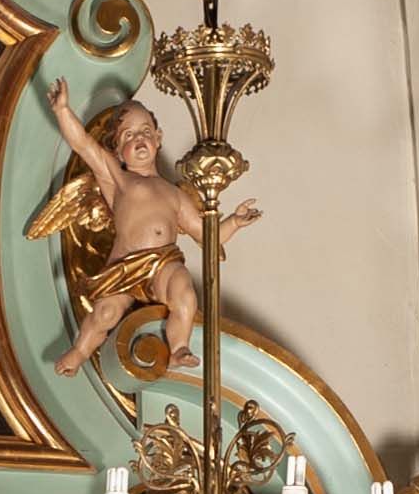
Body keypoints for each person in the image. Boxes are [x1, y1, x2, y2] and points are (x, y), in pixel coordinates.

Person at [41, 75, 259, 377]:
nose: (139, 139)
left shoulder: (175, 194)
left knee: (185, 295)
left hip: (164, 262)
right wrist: (62, 110)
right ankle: (79, 352)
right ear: (117, 150)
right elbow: (83, 144)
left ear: (158, 138)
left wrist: (235, 221)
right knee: (105, 313)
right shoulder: (118, 180)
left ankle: (178, 348)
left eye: (145, 131)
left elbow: (207, 236)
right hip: (125, 264)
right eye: (128, 136)